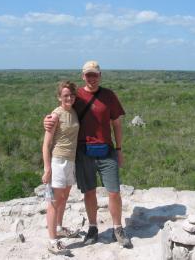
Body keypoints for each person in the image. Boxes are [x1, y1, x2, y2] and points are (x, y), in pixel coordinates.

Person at [44, 61, 132, 248]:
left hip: (107, 151)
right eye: (88, 75)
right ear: (83, 76)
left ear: (100, 75)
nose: (92, 78)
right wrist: (47, 119)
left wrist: (119, 149)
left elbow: (116, 124)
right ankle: (93, 228)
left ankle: (117, 228)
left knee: (114, 192)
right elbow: (62, 110)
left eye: (95, 74)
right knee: (89, 192)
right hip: (83, 152)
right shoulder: (78, 97)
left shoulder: (109, 96)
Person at [42, 81, 79, 255]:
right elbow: (46, 144)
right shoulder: (55, 115)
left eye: (71, 95)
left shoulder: (73, 112)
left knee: (64, 197)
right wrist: (47, 168)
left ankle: (58, 227)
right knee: (53, 202)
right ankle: (52, 241)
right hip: (58, 161)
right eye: (65, 95)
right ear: (59, 97)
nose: (69, 98)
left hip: (70, 161)